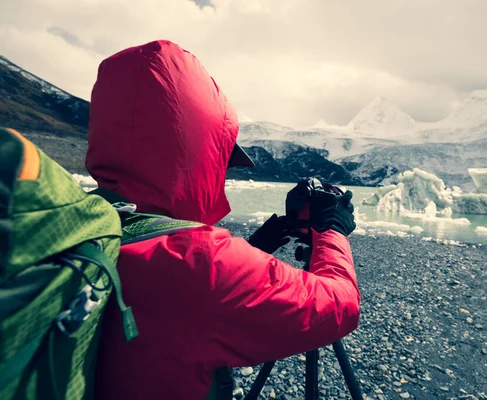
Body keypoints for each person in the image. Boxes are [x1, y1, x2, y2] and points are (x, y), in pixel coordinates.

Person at [86, 40, 360, 400]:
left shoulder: (81, 220)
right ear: (198, 155)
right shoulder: (202, 261)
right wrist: (332, 231)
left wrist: (251, 250)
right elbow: (339, 305)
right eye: (221, 160)